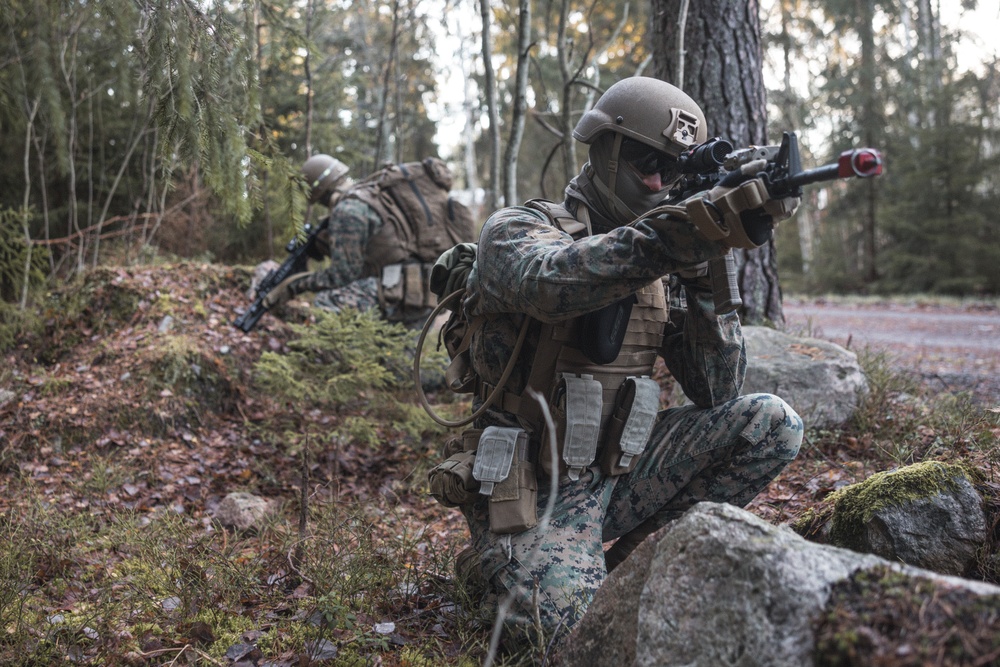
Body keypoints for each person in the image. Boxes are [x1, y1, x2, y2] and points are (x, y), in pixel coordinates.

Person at [432, 76, 805, 649]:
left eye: (673, 170)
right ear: (603, 150)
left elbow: (716, 388)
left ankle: (632, 568)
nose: (659, 181)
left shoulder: (669, 245)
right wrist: (678, 235)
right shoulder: (516, 231)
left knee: (771, 423)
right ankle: (502, 558)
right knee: (572, 640)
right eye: (644, 160)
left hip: (620, 468)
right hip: (533, 486)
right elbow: (553, 283)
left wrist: (707, 269)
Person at [264, 153, 476, 329]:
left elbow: (342, 277)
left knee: (326, 303)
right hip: (427, 290)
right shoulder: (371, 194)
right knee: (401, 363)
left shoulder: (348, 209)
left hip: (404, 294)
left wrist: (293, 285)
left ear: (318, 193)